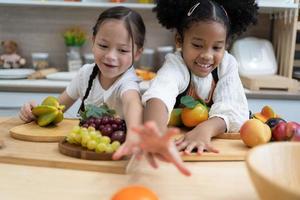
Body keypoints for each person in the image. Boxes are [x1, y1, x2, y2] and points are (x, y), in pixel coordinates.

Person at [120, 0, 258, 175]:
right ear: (179, 40)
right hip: (176, 153)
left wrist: (205, 129)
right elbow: (160, 95)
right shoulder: (176, 64)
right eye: (197, 45)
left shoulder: (227, 64)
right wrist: (156, 134)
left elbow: (234, 109)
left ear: (226, 45)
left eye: (217, 47)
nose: (207, 55)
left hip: (216, 156)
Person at [19, 6, 146, 154]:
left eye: (123, 50)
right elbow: (57, 108)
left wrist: (134, 136)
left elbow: (132, 103)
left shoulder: (128, 81)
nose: (111, 56)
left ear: (137, 53)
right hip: (85, 150)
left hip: (115, 152)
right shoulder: (85, 74)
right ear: (93, 42)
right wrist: (34, 112)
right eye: (103, 46)